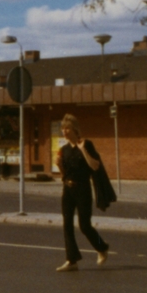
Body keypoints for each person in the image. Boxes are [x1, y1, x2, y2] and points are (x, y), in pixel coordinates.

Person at [55, 113, 110, 271]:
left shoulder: (87, 144)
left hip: (83, 189)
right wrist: (59, 165)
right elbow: (64, 174)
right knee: (67, 224)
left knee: (84, 225)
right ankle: (71, 260)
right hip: (68, 189)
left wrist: (83, 150)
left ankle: (101, 248)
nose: (64, 132)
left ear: (75, 129)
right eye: (63, 129)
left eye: (67, 128)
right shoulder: (64, 149)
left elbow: (95, 166)